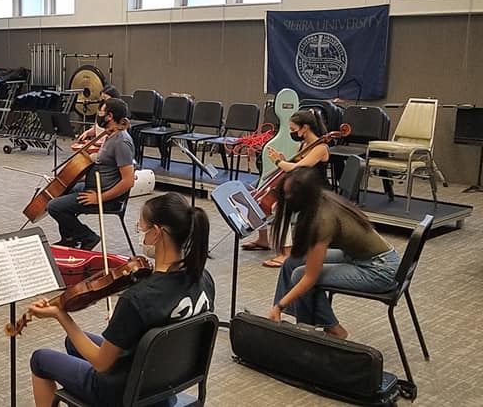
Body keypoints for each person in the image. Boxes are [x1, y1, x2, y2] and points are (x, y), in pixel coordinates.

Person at [29, 193, 215, 407]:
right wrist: (125, 326)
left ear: (156, 233)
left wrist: (61, 315)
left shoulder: (138, 298)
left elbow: (101, 363)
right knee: (73, 343)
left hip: (126, 395)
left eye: (142, 228)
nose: (141, 235)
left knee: (40, 359)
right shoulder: (204, 279)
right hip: (163, 386)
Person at [268, 167, 399, 339]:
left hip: (380, 270)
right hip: (363, 257)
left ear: (302, 196)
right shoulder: (321, 198)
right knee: (292, 263)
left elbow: (310, 278)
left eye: (288, 195)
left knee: (300, 275)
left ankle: (332, 330)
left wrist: (279, 305)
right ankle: (299, 324)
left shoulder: (322, 220)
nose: (286, 199)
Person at [243, 110, 330, 268]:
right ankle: (263, 240)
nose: (291, 132)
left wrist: (278, 162)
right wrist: (284, 161)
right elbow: (294, 169)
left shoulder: (320, 148)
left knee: (280, 207)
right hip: (302, 188)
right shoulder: (302, 145)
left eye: (293, 129)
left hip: (316, 192)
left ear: (305, 128)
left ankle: (287, 252)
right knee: (259, 200)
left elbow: (298, 168)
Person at [47, 97, 134, 250]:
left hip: (106, 196)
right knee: (60, 191)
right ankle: (69, 239)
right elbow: (104, 168)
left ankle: (87, 237)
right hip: (94, 188)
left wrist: (99, 198)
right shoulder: (110, 135)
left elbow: (128, 181)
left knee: (54, 206)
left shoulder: (121, 142)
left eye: (101, 111)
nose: (98, 114)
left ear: (109, 116)